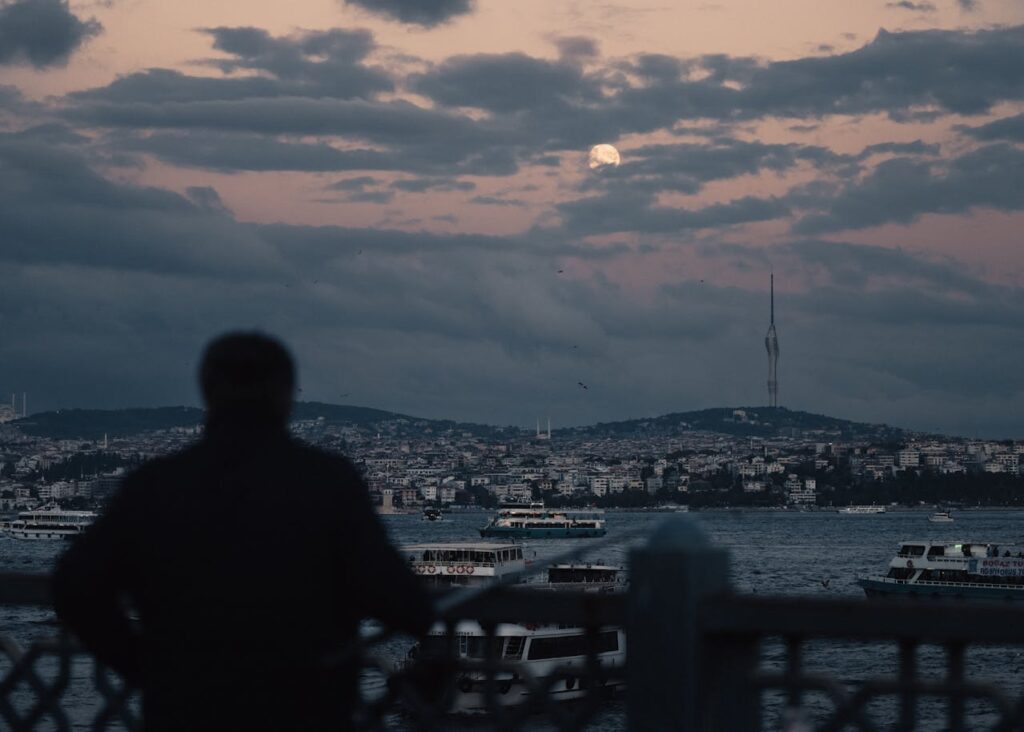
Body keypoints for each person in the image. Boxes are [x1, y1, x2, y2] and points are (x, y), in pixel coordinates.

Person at [52, 332, 433, 731]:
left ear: (208, 392)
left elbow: (75, 586)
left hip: (186, 711)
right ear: (287, 395)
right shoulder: (327, 482)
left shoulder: (155, 485)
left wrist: (143, 664)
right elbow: (405, 604)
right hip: (305, 708)